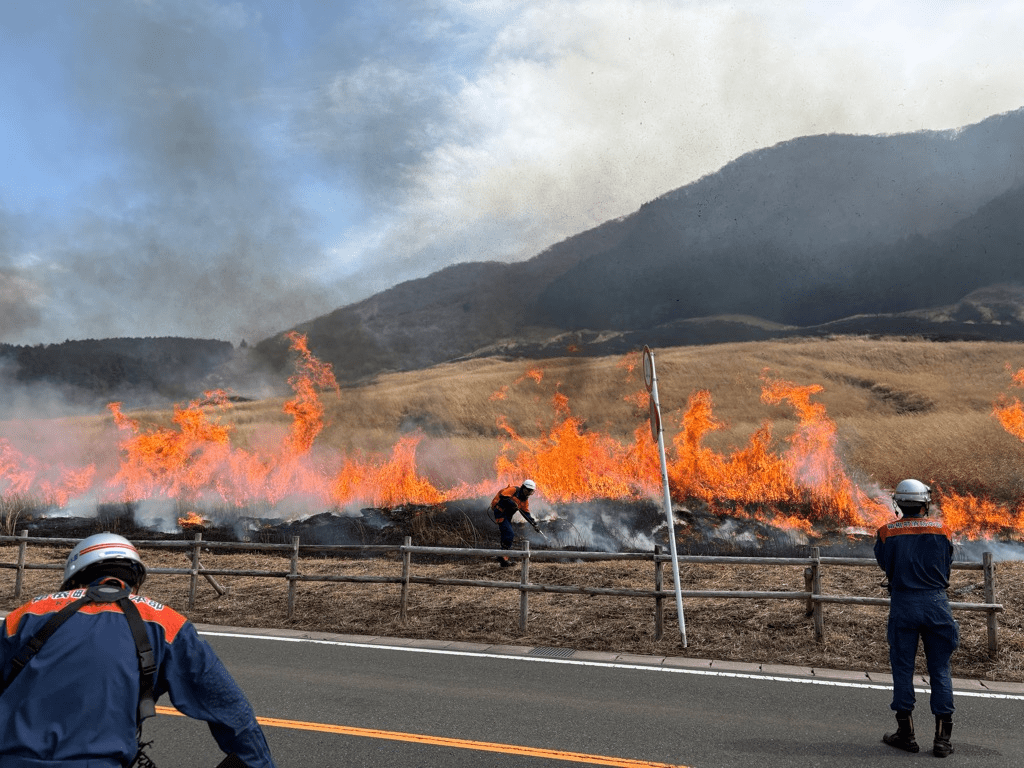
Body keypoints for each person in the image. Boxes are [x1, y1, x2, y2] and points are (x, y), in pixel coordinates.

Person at [0, 532, 277, 768]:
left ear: (75, 576)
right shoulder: (166, 624)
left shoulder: (26, 615)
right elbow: (235, 714)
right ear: (134, 579)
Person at [874, 479, 959, 758]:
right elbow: (947, 564)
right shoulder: (943, 530)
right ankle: (942, 741)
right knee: (940, 670)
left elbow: (886, 564)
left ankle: (906, 735)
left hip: (904, 604)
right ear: (926, 503)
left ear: (898, 503)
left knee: (902, 668)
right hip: (936, 604)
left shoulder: (886, 532)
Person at [490, 479, 540, 567]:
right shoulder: (514, 490)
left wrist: (534, 524)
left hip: (508, 516)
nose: (529, 493)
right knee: (509, 534)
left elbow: (526, 514)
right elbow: (503, 496)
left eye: (531, 492)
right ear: (524, 488)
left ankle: (503, 560)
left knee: (506, 535)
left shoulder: (524, 501)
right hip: (501, 513)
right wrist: (512, 503)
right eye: (528, 491)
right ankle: (503, 556)